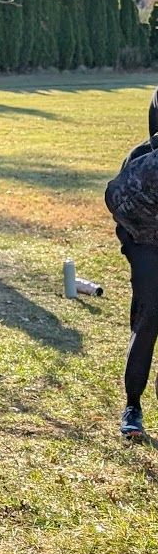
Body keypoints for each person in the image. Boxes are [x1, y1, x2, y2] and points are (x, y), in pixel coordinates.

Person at [106, 128, 158, 439]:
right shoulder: (142, 158)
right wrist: (139, 241)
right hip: (146, 245)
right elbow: (116, 201)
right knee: (149, 317)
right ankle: (133, 407)